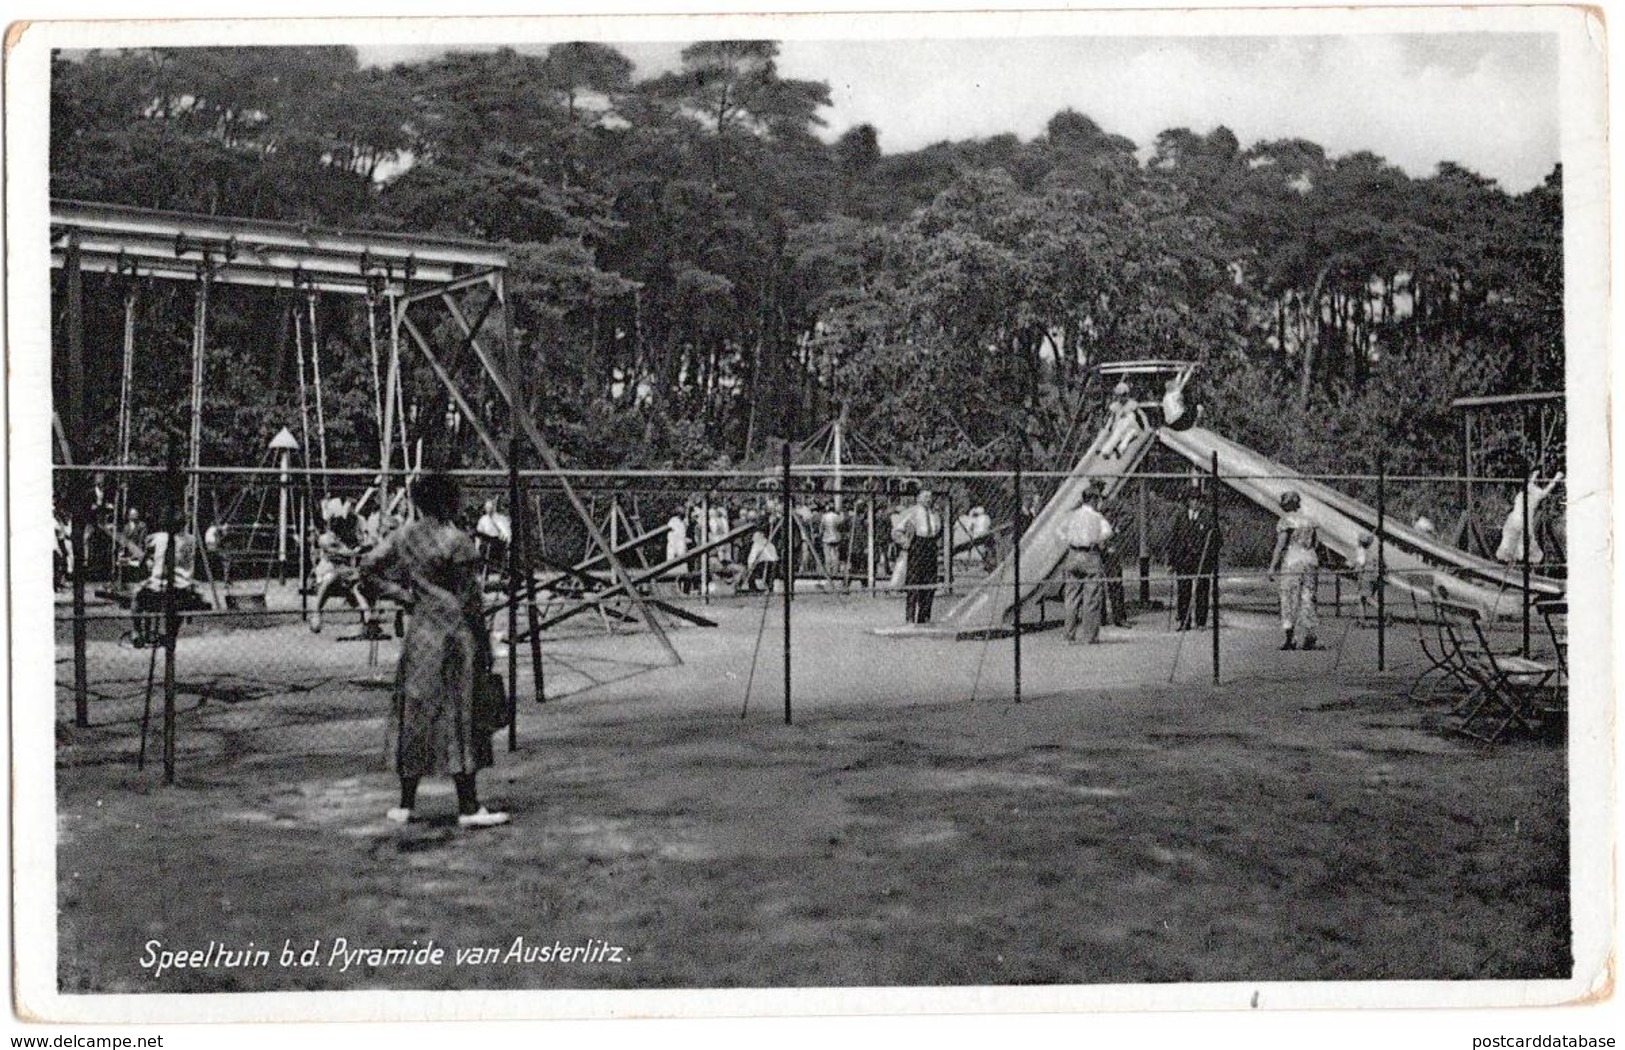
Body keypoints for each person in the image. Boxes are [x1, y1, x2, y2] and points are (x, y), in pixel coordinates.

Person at [360, 472, 508, 829]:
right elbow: (471, 601)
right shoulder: (456, 541)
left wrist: (404, 596)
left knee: (415, 713)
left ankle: (406, 803)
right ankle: (469, 805)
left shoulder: (403, 536)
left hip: (420, 635)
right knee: (461, 715)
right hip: (456, 636)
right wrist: (485, 646)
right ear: (447, 501)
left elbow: (367, 569)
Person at [128, 515, 209, 647]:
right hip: (183, 584)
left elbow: (145, 547)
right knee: (180, 604)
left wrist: (149, 559)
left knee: (137, 594)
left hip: (160, 583)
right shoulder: (192, 540)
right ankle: (171, 634)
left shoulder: (159, 537)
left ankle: (136, 632)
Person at [311, 497, 380, 637]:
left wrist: (363, 547)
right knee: (332, 578)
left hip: (345, 572)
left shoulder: (346, 537)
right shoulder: (326, 538)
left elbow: (360, 545)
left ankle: (368, 617)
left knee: (358, 583)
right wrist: (355, 551)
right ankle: (316, 612)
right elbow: (339, 551)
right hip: (328, 570)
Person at [1054, 482, 1114, 644]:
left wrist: (1069, 540)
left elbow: (1059, 531)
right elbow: (1108, 532)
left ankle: (1069, 635)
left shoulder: (1072, 515)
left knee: (1071, 597)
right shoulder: (1097, 517)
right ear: (1093, 500)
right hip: (1090, 554)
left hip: (1073, 554)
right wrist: (1096, 539)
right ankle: (1089, 636)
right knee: (1091, 598)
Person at [1267, 490, 1321, 651]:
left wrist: (1272, 566)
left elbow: (1280, 545)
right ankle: (1308, 635)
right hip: (1310, 560)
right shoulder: (1309, 520)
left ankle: (1290, 638)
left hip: (1293, 561)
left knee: (1289, 597)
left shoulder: (1286, 521)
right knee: (1308, 596)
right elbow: (1316, 544)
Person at [1167, 498, 1220, 630]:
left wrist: (1209, 557)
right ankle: (1184, 621)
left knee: (1202, 590)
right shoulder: (1180, 516)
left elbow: (1217, 539)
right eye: (1192, 499)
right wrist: (1171, 561)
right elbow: (1173, 538)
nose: (1195, 503)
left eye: (1198, 500)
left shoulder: (1208, 517)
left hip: (1201, 560)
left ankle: (1201, 622)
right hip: (1184, 559)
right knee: (1183, 590)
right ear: (1188, 501)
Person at [1496, 471, 1563, 566]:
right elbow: (1549, 488)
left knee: (1511, 542)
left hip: (1514, 519)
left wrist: (1535, 475)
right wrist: (1557, 477)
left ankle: (1512, 562)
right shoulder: (1537, 495)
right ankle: (1520, 562)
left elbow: (1532, 483)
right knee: (1522, 545)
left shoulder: (1523, 492)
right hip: (1523, 522)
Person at [896, 488, 943, 624]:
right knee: (914, 581)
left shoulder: (934, 513)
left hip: (930, 546)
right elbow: (897, 529)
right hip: (917, 545)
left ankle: (924, 617)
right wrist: (905, 542)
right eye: (926, 497)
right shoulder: (912, 512)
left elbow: (938, 529)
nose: (929, 499)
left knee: (930, 582)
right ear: (919, 498)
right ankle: (910, 618)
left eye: (930, 497)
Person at [475, 499, 512, 578]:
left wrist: (507, 540)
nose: (489, 509)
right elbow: (478, 534)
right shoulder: (483, 520)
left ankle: (504, 573)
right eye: (487, 507)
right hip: (486, 543)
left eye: (490, 507)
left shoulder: (500, 518)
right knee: (484, 554)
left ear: (494, 508)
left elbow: (506, 531)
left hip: (497, 543)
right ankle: (485, 574)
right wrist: (477, 547)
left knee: (503, 554)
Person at [1352, 531, 1379, 626]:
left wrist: (1355, 568)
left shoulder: (1361, 551)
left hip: (1365, 575)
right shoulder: (1370, 551)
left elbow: (1361, 563)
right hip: (1372, 575)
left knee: (1367, 598)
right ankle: (1361, 618)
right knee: (1361, 598)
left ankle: (1384, 613)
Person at [744, 528, 779, 593]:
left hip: (765, 564)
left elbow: (752, 557)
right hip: (773, 563)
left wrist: (749, 567)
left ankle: (752, 586)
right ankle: (770, 586)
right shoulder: (768, 543)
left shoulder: (757, 544)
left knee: (750, 570)